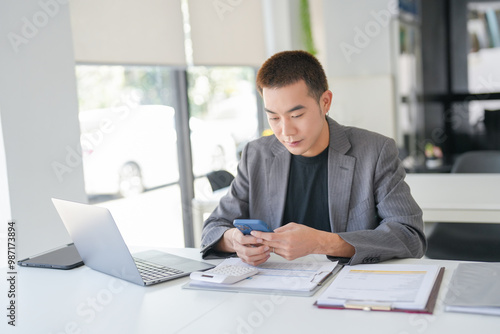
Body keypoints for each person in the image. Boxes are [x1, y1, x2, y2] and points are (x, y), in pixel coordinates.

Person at [201, 50, 426, 266]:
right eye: (274, 118)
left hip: (349, 291)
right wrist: (234, 241)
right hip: (277, 289)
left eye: (296, 115)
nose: (286, 131)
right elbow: (213, 228)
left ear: (325, 102)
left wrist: (321, 243)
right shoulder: (256, 155)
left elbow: (409, 236)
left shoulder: (375, 151)